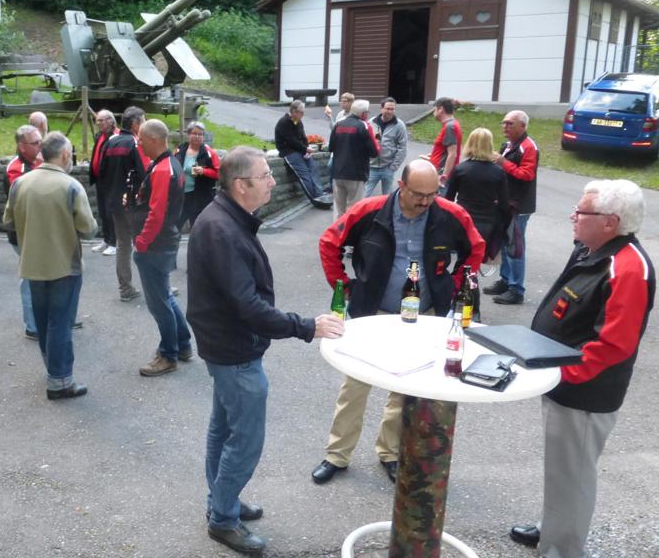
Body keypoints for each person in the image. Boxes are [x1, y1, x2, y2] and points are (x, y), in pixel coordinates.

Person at [187, 145, 345, 554]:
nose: (273, 181)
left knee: (224, 428)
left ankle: (222, 501)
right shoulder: (221, 228)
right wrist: (306, 326)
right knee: (244, 439)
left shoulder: (225, 217)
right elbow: (249, 306)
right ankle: (223, 518)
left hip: (225, 345)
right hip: (233, 350)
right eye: (266, 176)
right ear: (241, 185)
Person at [312, 159, 484, 485]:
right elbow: (329, 243)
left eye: (432, 194)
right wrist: (345, 287)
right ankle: (337, 454)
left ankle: (389, 453)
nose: (425, 202)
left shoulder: (451, 214)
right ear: (401, 186)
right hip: (374, 312)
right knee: (355, 384)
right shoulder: (369, 210)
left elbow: (475, 249)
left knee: (406, 386)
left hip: (425, 315)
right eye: (418, 194)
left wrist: (457, 284)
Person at [509, 180, 655, 558]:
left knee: (572, 475)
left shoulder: (628, 267)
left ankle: (563, 549)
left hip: (585, 392)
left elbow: (612, 345)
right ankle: (553, 530)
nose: (572, 216)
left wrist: (560, 373)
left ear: (610, 221)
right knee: (561, 469)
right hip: (564, 382)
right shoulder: (594, 249)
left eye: (582, 212)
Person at [3, 132, 97, 400]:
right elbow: (89, 229)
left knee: (44, 322)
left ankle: (52, 369)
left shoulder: (20, 183)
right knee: (61, 323)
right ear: (65, 155)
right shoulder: (70, 186)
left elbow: (8, 220)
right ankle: (59, 380)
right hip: (64, 265)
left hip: (32, 263)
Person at [132, 119, 192, 377]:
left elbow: (156, 213)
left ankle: (168, 355)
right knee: (165, 295)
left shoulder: (161, 170)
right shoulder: (171, 164)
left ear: (154, 140)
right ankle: (183, 344)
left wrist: (142, 243)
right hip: (166, 241)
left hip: (156, 245)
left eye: (142, 139)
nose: (139, 143)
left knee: (158, 303)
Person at [444, 128, 509, 320]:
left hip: (463, 221)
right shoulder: (498, 172)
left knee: (461, 265)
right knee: (470, 268)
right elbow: (505, 205)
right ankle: (473, 310)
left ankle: (459, 304)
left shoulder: (461, 169)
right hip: (486, 224)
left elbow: (447, 199)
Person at [483, 110, 539, 306]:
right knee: (506, 244)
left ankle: (516, 289)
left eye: (510, 124)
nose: (505, 127)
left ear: (523, 126)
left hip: (519, 205)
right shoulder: (509, 145)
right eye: (503, 123)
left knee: (515, 247)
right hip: (506, 203)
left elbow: (526, 175)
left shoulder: (528, 147)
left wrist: (502, 162)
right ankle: (506, 280)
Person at [102, 106, 149, 302]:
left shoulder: (110, 143)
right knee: (147, 244)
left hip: (114, 203)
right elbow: (145, 173)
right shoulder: (136, 145)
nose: (146, 124)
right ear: (136, 124)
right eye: (144, 121)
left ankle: (125, 288)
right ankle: (157, 287)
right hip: (133, 204)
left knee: (123, 244)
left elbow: (100, 171)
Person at [5, 125, 44, 339]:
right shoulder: (17, 169)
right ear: (22, 146)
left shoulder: (34, 163)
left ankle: (43, 319)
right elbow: (23, 200)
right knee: (30, 278)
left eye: (41, 140)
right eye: (36, 142)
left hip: (34, 231)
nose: (41, 145)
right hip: (23, 233)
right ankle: (32, 325)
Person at [328, 99, 379, 219]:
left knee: (338, 209)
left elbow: (331, 147)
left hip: (337, 173)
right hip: (356, 174)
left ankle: (337, 234)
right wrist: (377, 142)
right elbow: (374, 152)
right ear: (364, 113)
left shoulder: (338, 124)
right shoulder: (364, 126)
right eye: (368, 112)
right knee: (354, 208)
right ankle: (350, 235)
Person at [274, 100, 325, 207]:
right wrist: (305, 149)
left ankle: (320, 194)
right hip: (288, 151)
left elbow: (302, 136)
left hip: (300, 150)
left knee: (313, 169)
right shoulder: (284, 122)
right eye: (301, 112)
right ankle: (315, 199)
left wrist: (306, 148)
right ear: (293, 111)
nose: (303, 114)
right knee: (304, 174)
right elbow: (291, 140)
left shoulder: (298, 121)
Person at [175, 121, 220, 230]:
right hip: (182, 196)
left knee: (197, 228)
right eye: (194, 133)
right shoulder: (180, 150)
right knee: (175, 225)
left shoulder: (209, 153)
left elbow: (218, 174)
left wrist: (204, 171)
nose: (197, 136)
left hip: (200, 197)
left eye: (200, 134)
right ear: (188, 135)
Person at [89, 109, 119, 256]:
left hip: (111, 181)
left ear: (110, 121)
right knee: (102, 211)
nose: (98, 123)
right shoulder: (100, 136)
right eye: (97, 120)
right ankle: (106, 240)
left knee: (110, 212)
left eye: (101, 120)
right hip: (100, 180)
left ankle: (114, 242)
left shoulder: (116, 136)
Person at [366, 97, 408, 196]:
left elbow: (402, 147)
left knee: (387, 198)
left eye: (392, 109)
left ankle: (386, 211)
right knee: (364, 195)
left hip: (388, 167)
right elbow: (365, 143)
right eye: (387, 108)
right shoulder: (372, 122)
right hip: (372, 167)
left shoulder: (399, 125)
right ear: (381, 108)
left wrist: (393, 167)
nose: (390, 111)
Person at [419, 97, 462, 183]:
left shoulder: (450, 127)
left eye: (434, 109)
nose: (433, 113)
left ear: (440, 109)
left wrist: (443, 177)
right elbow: (447, 150)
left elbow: (452, 154)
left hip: (440, 175)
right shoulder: (451, 124)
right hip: (439, 171)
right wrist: (434, 155)